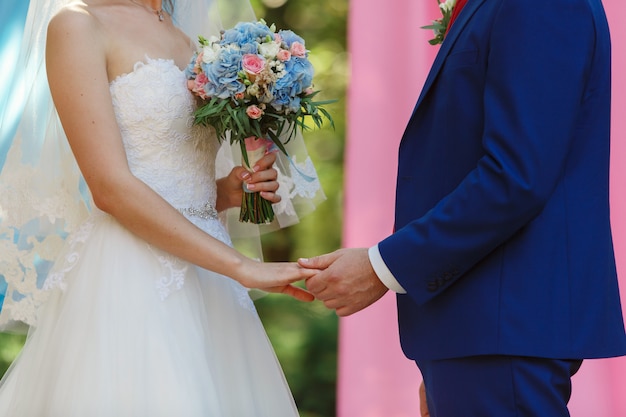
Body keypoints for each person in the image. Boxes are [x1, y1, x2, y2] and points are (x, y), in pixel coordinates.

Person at [299, 0, 626, 415]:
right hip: (479, 336)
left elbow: (514, 178)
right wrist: (446, 362)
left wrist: (382, 267)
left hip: (504, 332)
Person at [0, 0, 319, 415]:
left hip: (210, 280)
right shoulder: (79, 23)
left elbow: (178, 172)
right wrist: (243, 267)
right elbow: (110, 187)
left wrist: (226, 192)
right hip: (131, 278)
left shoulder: (192, 37)